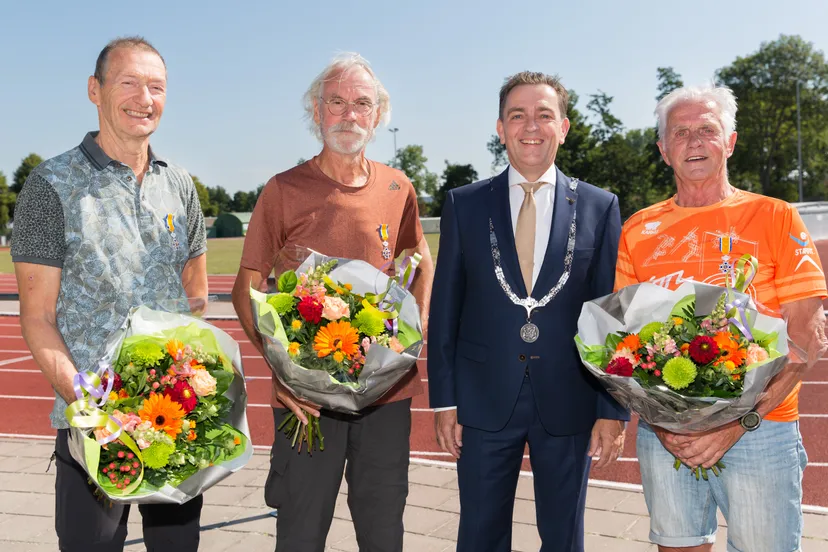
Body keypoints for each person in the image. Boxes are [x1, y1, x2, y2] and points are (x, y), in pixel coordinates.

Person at [231, 52, 434, 552]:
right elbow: (247, 287)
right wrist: (283, 373)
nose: (349, 114)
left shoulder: (397, 185)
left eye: (362, 104)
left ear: (378, 114)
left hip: (387, 395)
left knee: (384, 532)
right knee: (301, 532)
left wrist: (414, 335)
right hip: (308, 400)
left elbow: (419, 259)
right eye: (336, 102)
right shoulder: (283, 189)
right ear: (316, 111)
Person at [11, 37, 208, 551]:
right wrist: (92, 405)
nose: (145, 98)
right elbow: (37, 317)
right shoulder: (49, 185)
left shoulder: (180, 185)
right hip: (94, 429)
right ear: (95, 91)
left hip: (173, 419)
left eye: (157, 86)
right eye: (129, 82)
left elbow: (197, 293)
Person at [615, 84, 828, 552]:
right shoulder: (637, 229)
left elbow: (806, 338)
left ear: (729, 142)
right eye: (681, 132)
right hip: (666, 435)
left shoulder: (775, 217)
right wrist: (667, 424)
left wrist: (737, 423)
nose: (694, 141)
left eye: (707, 130)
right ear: (663, 149)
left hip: (760, 431)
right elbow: (624, 343)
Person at [428, 71, 629, 552]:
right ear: (500, 128)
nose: (531, 127)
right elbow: (445, 307)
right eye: (517, 115)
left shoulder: (601, 207)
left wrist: (612, 409)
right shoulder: (465, 203)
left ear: (564, 126)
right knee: (478, 535)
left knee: (563, 538)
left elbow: (610, 316)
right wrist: (444, 400)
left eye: (544, 115)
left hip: (570, 399)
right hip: (480, 402)